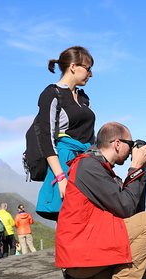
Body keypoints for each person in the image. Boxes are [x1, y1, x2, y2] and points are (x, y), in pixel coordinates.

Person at [57, 122, 146, 279]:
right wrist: (135, 166)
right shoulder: (87, 166)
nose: (133, 149)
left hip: (91, 243)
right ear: (117, 143)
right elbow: (125, 208)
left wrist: (141, 171)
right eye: (130, 143)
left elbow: (132, 210)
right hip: (80, 250)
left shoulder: (100, 168)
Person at [35, 46, 96, 221]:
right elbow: (46, 138)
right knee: (70, 217)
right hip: (64, 161)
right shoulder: (51, 93)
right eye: (88, 68)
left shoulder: (84, 97)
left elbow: (90, 134)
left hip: (85, 161)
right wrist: (60, 177)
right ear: (73, 67)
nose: (90, 74)